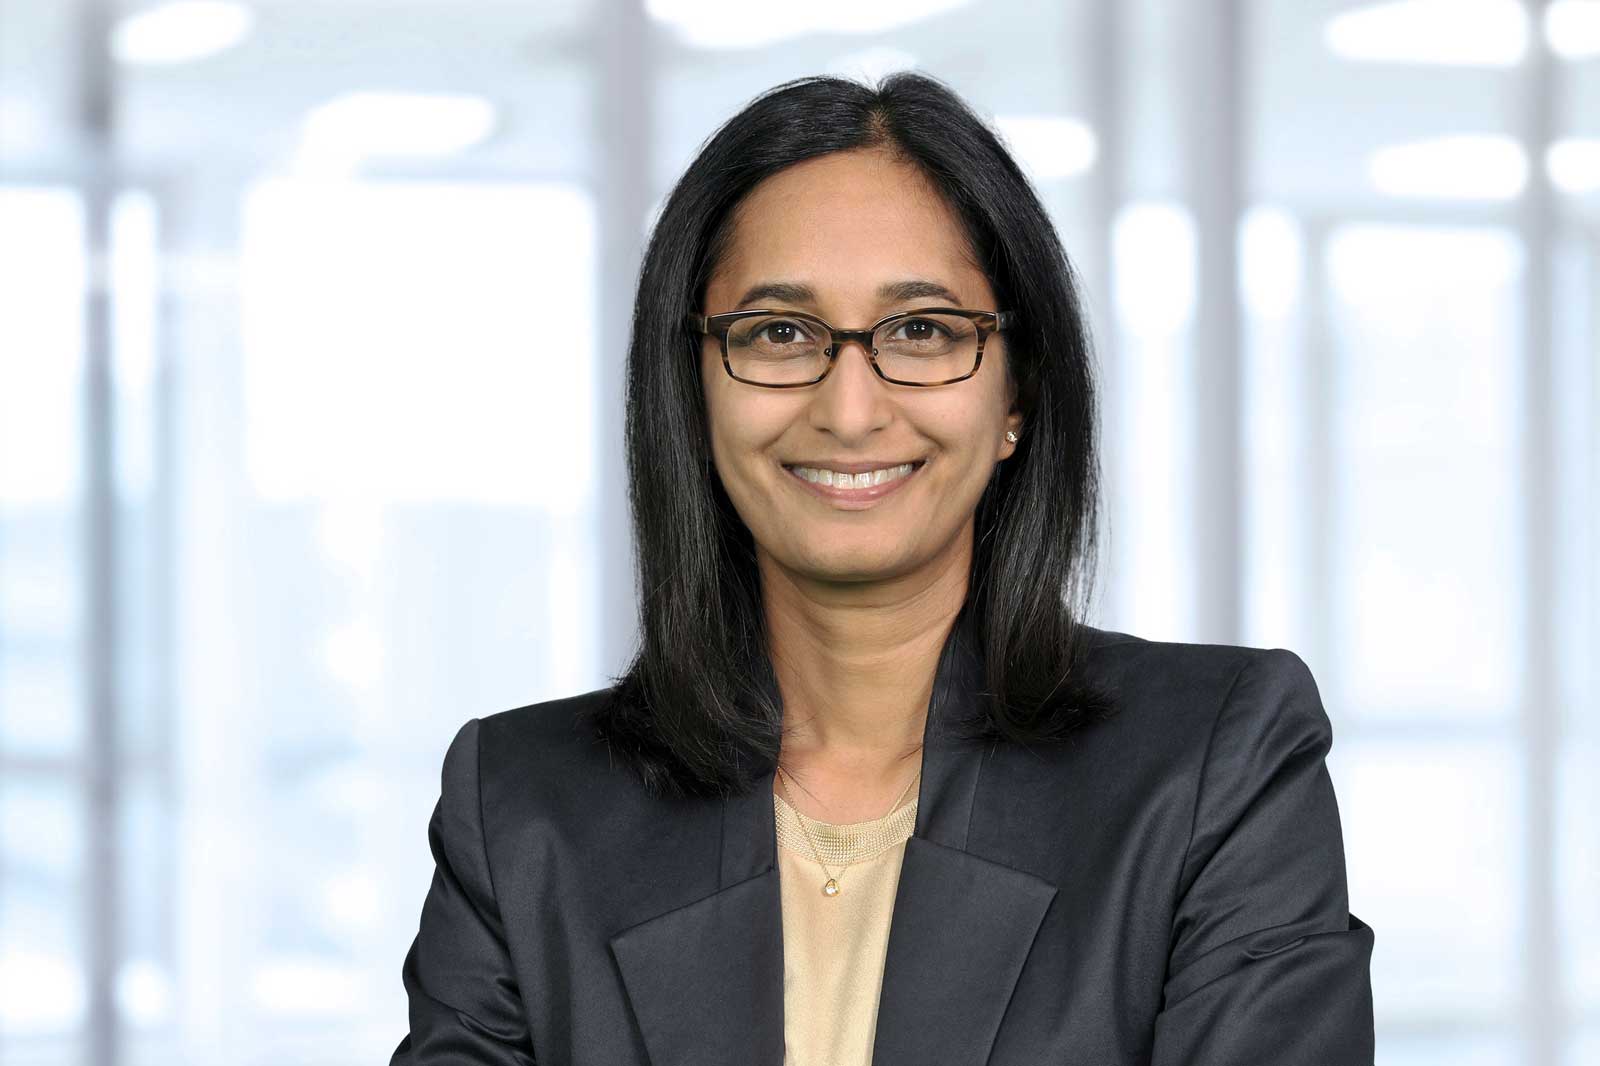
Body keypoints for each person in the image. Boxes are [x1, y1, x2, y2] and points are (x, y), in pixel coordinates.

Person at [390, 71, 1374, 1066]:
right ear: (690, 391)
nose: (850, 408)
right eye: (778, 332)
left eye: (922, 330)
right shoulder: (522, 813)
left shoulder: (1216, 765)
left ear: (1016, 396)